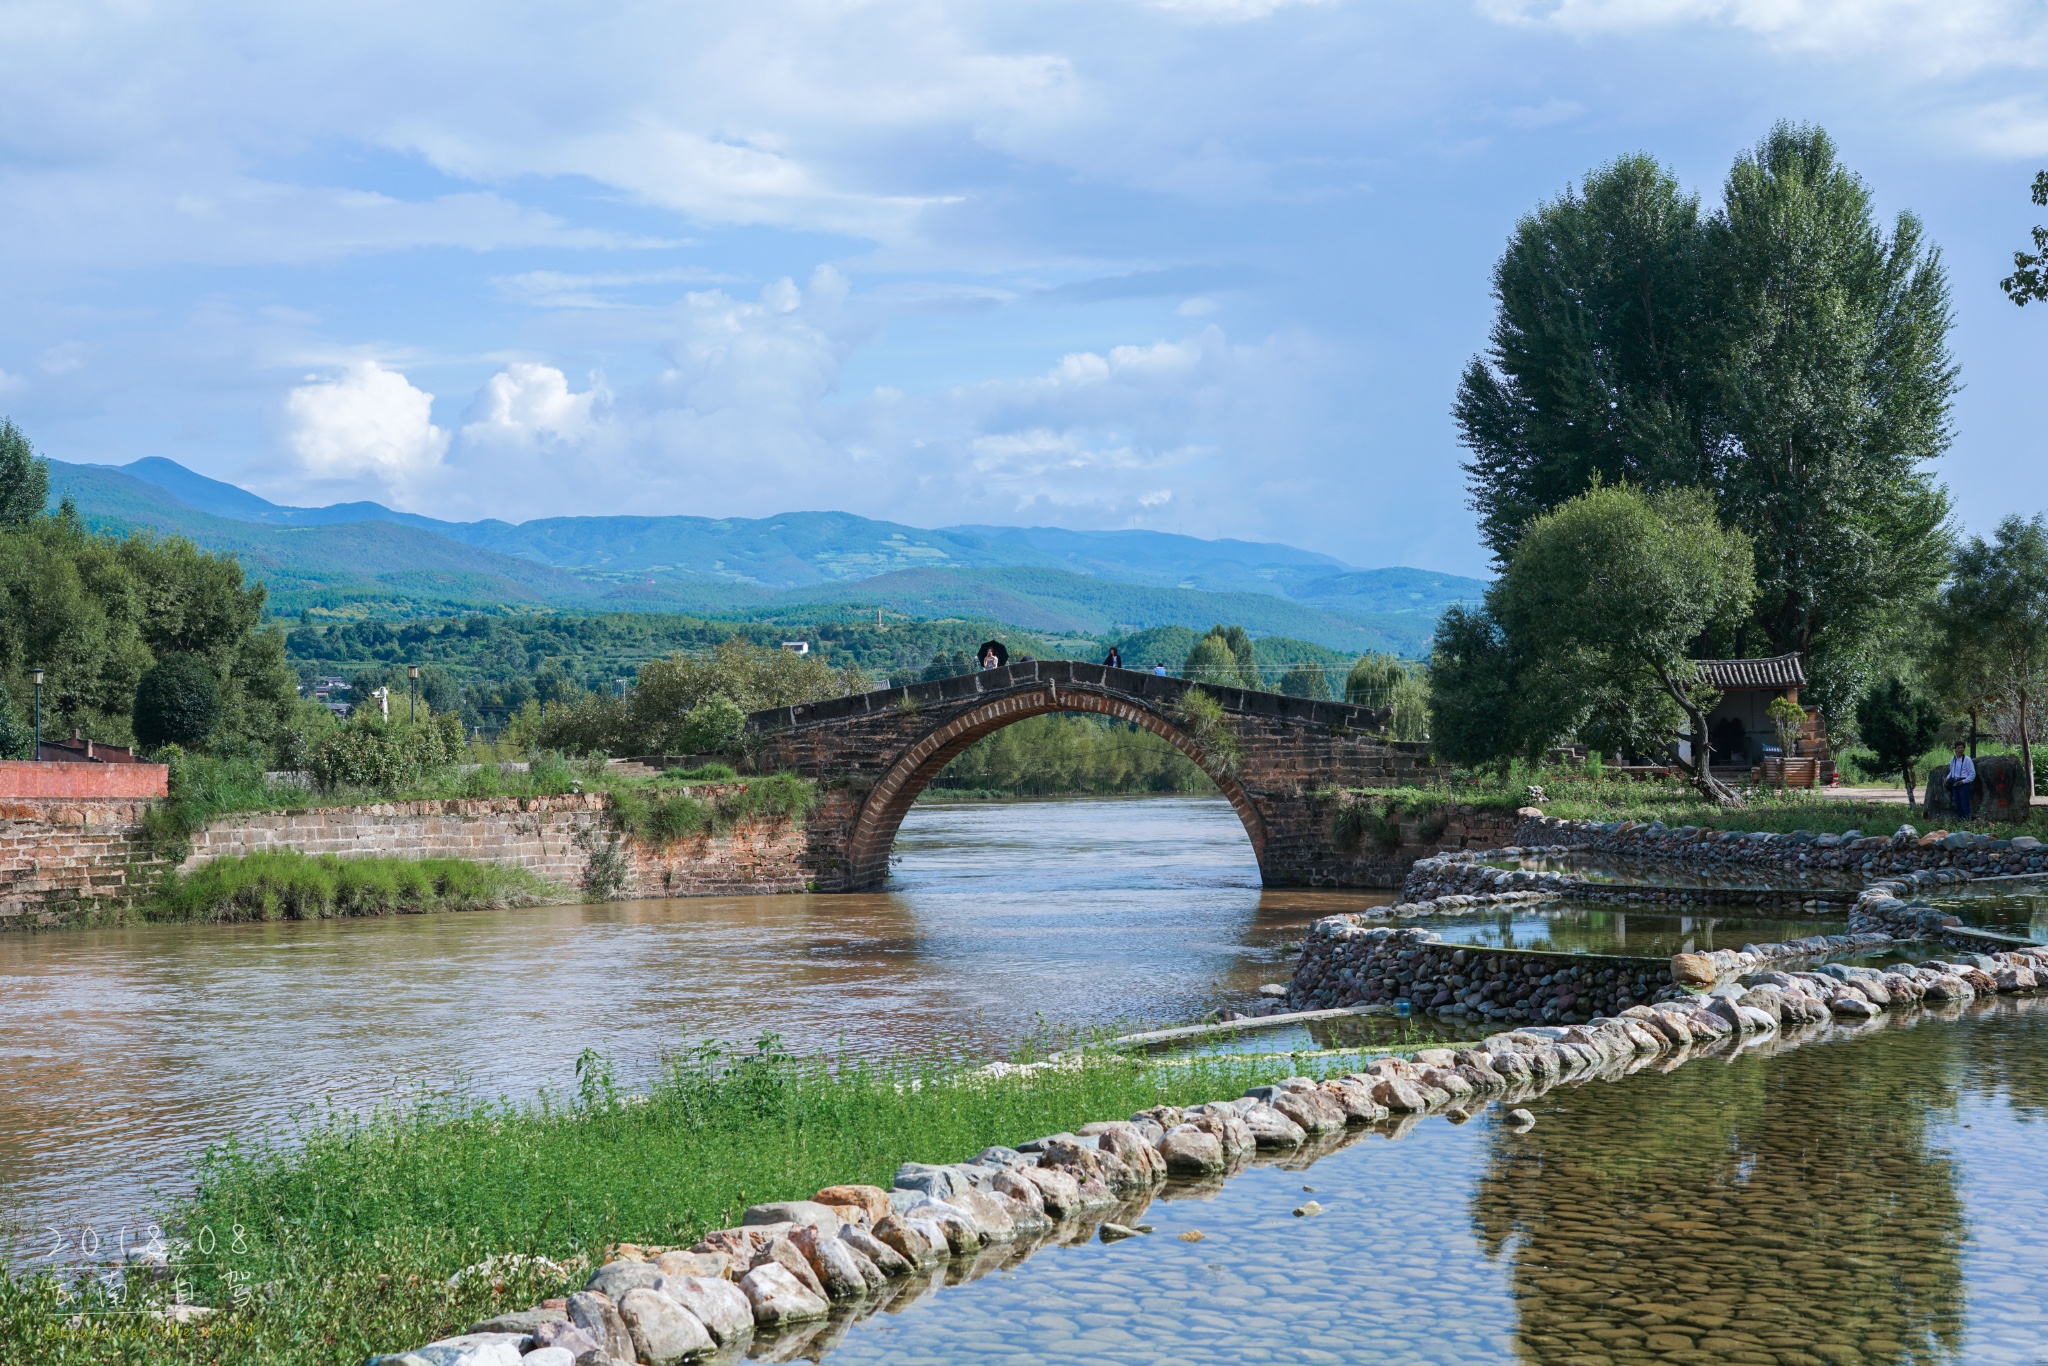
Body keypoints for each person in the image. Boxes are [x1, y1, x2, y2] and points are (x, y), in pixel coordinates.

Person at [1946, 742, 1977, 819]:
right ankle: (1959, 819)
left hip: (1963, 783)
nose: (1960, 750)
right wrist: (1947, 778)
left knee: (1964, 803)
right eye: (1958, 748)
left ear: (1964, 749)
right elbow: (1951, 771)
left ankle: (1966, 820)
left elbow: (1972, 774)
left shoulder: (1967, 760)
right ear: (1955, 749)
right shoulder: (1953, 759)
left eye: (1962, 748)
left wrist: (1963, 781)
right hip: (1954, 782)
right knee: (1957, 803)